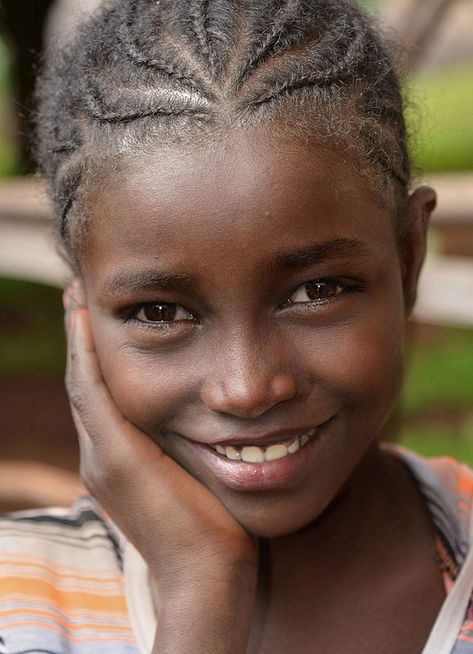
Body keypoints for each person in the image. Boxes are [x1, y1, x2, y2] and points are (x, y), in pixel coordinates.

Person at [1, 0, 473, 652]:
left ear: (409, 256)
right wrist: (201, 593)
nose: (246, 387)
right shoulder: (20, 601)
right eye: (159, 312)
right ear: (80, 313)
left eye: (316, 290)